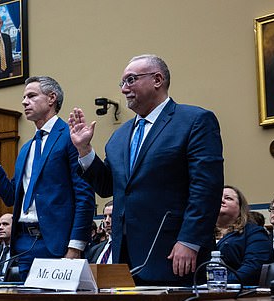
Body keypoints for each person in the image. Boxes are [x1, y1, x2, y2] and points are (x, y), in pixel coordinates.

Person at [69, 54, 224, 286]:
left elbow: (206, 188)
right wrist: (84, 150)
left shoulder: (194, 121)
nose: (124, 89)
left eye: (130, 80)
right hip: (126, 258)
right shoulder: (119, 136)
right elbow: (107, 187)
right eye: (122, 83)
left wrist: (190, 241)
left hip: (174, 253)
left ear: (157, 80)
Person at [0, 76, 95, 301]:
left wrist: (76, 246)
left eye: (31, 95)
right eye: (24, 97)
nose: (24, 101)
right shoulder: (26, 148)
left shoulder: (69, 138)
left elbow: (84, 194)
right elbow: (13, 197)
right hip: (26, 245)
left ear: (52, 99)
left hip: (58, 244)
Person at [215, 186, 273, 285]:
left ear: (240, 207)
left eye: (228, 198)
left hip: (237, 293)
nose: (222, 200)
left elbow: (252, 268)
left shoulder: (254, 233)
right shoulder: (201, 234)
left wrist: (222, 283)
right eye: (217, 197)